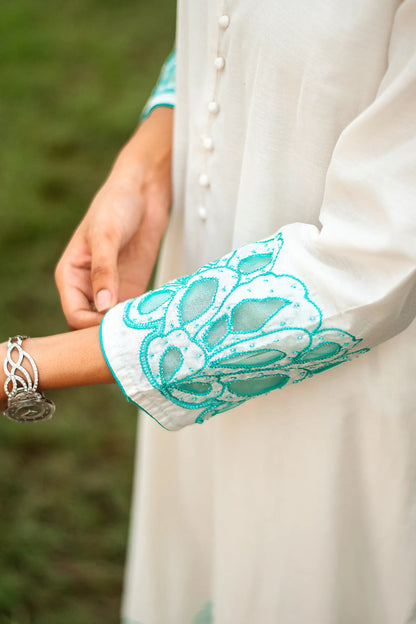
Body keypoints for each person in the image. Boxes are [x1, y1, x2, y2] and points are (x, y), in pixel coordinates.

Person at [2, 1, 416, 622]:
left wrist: (22, 366)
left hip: (349, 388)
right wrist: (146, 165)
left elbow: (376, 257)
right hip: (198, 281)